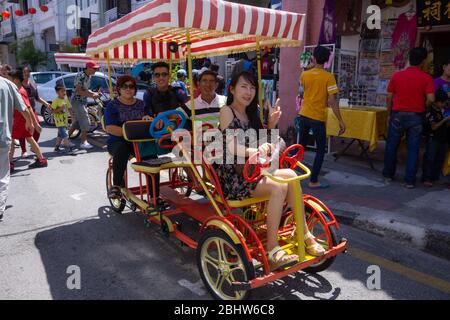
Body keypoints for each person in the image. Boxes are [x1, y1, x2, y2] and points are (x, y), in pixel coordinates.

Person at [215, 71, 325, 271]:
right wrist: (254, 150)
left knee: (291, 176)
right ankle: (272, 249)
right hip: (236, 177)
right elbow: (231, 147)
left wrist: (272, 124)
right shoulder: (227, 111)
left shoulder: (252, 113)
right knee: (277, 188)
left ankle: (304, 234)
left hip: (255, 171)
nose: (248, 92)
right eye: (243, 86)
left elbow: (269, 143)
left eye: (252, 87)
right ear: (232, 89)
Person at [383, 48, 435, 188]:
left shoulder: (397, 76)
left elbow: (389, 97)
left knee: (392, 146)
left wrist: (389, 114)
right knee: (413, 149)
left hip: (397, 114)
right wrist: (424, 104)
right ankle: (409, 181)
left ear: (409, 58)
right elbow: (431, 98)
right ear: (423, 61)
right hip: (416, 116)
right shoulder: (427, 78)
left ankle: (388, 175)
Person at [297, 45, 345, 189]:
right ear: (326, 60)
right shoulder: (329, 77)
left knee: (301, 147)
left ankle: (291, 174)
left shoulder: (304, 74)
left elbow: (301, 93)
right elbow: (331, 100)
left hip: (304, 114)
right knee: (320, 150)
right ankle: (313, 181)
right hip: (317, 117)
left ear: (314, 57)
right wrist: (340, 121)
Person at [104, 76, 152, 200]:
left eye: (131, 86)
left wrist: (148, 118)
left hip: (141, 141)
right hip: (118, 141)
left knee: (152, 158)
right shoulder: (112, 105)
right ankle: (116, 185)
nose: (128, 89)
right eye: (124, 86)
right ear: (119, 89)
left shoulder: (142, 104)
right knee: (121, 149)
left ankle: (154, 196)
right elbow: (110, 128)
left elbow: (149, 119)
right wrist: (131, 134)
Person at [0, 76, 32, 220]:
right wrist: (29, 122)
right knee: (2, 174)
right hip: (2, 137)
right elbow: (23, 107)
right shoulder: (7, 84)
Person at [8, 70, 47, 169]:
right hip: (21, 120)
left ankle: (9, 164)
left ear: (16, 80)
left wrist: (31, 122)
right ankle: (41, 159)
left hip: (20, 121)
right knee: (29, 139)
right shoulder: (19, 89)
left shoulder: (19, 91)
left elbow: (27, 107)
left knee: (12, 140)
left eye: (10, 79)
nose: (9, 81)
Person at [68, 61, 101, 149]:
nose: (96, 70)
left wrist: (93, 93)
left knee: (79, 121)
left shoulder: (88, 76)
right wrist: (92, 95)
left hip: (81, 101)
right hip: (77, 100)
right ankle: (83, 142)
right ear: (88, 68)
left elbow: (85, 89)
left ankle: (65, 138)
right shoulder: (81, 75)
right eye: (94, 68)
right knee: (86, 120)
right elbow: (79, 91)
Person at [20, 67, 51, 158]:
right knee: (23, 131)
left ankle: (33, 147)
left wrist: (46, 104)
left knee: (38, 129)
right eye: (24, 72)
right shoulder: (19, 85)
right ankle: (23, 150)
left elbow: (37, 98)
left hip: (32, 110)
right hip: (23, 111)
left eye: (28, 72)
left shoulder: (33, 84)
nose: (26, 74)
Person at [422, 90, 449, 187]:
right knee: (430, 158)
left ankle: (435, 177)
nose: (444, 104)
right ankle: (426, 178)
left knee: (440, 158)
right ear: (436, 101)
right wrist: (445, 120)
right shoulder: (430, 111)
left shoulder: (441, 110)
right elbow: (434, 127)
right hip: (433, 139)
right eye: (442, 102)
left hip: (442, 138)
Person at [51, 85, 75, 152]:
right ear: (57, 92)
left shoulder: (65, 98)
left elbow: (69, 107)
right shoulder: (56, 101)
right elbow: (52, 111)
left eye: (64, 90)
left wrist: (72, 116)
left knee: (60, 135)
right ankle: (69, 149)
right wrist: (60, 109)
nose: (64, 92)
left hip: (65, 121)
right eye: (62, 91)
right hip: (59, 121)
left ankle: (56, 148)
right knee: (65, 135)